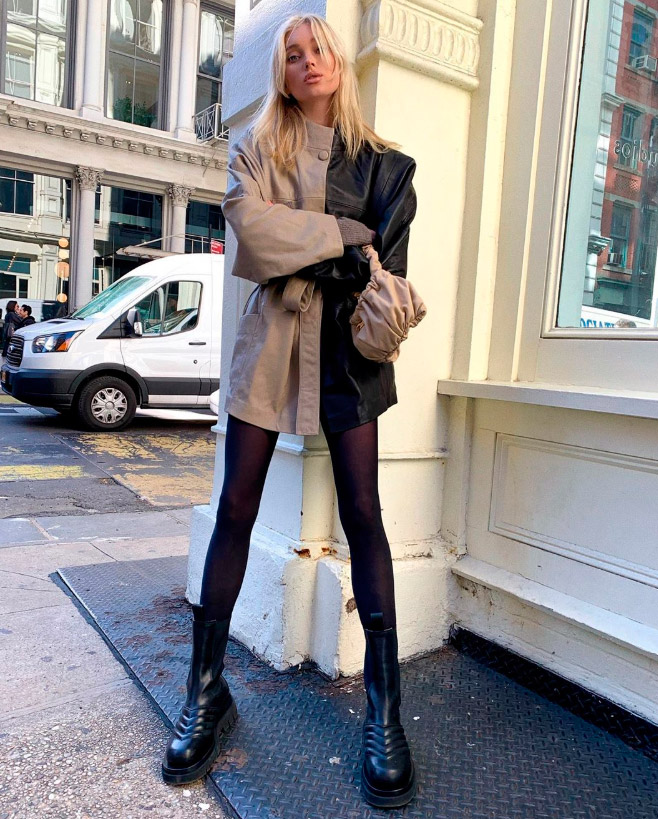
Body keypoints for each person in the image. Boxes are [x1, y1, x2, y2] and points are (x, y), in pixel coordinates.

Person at [162, 14, 418, 809]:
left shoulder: (387, 167)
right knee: (235, 507)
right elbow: (251, 235)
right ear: (281, 71)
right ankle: (207, 692)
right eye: (294, 54)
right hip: (271, 345)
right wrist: (340, 232)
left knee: (364, 513)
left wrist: (309, 245)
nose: (310, 62)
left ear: (339, 59)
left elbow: (380, 272)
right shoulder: (257, 150)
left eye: (319, 50)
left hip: (349, 353)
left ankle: (384, 709)